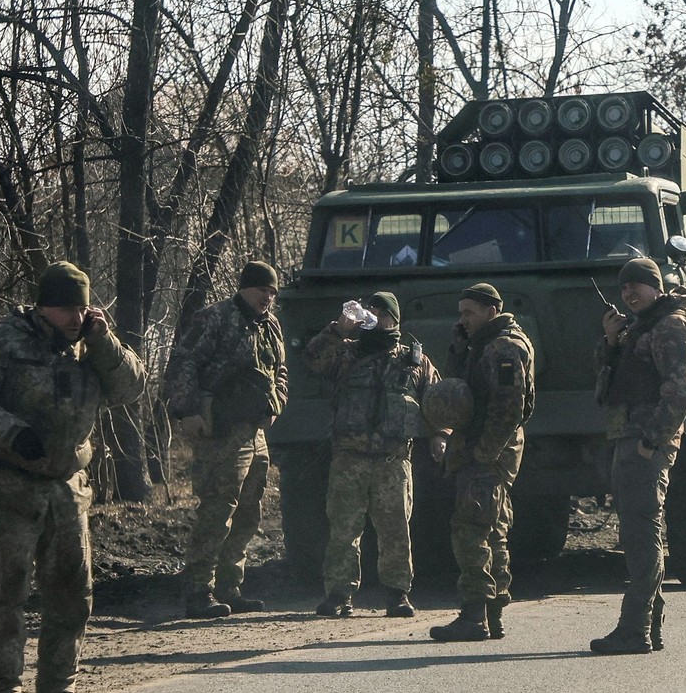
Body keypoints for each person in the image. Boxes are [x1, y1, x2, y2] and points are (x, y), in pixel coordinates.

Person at [0, 261, 147, 693]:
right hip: (6, 484)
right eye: (64, 309)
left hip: (67, 487)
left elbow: (131, 387)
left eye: (80, 307)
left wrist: (104, 342)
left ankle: (58, 687)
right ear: (42, 307)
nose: (74, 318)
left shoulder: (92, 347)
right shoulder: (3, 341)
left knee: (73, 591)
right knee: (6, 592)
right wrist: (12, 433)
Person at [304, 292, 446, 618]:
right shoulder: (346, 354)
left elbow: (435, 400)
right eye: (372, 312)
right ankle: (339, 595)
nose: (375, 318)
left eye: (382, 313)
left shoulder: (415, 360)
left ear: (394, 319)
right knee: (343, 529)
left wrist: (440, 435)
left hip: (393, 460)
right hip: (349, 458)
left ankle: (398, 595)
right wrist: (339, 330)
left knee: (396, 530)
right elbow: (312, 359)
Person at [164, 260, 288, 618]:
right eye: (263, 289)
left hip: (255, 433)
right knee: (218, 512)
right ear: (245, 288)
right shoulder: (214, 318)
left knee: (249, 512)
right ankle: (198, 592)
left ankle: (229, 588)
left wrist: (276, 403)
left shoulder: (271, 327)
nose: (268, 297)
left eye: (273, 292)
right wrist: (187, 410)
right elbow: (184, 362)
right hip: (220, 432)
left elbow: (280, 370)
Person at [590, 257, 686, 655]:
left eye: (637, 286)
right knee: (637, 532)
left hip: (644, 442)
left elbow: (680, 391)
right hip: (629, 439)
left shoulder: (670, 326)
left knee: (640, 534)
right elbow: (608, 379)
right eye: (624, 288)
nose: (629, 293)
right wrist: (611, 342)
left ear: (656, 287)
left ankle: (635, 628)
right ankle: (647, 627)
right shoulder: (641, 327)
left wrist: (651, 441)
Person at [430, 283, 535, 642]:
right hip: (485, 450)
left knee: (471, 530)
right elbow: (457, 385)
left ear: (490, 311)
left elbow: (509, 408)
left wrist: (483, 454)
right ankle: (493, 613)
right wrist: (459, 346)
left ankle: (475, 615)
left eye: (468, 312)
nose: (463, 319)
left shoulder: (504, 348)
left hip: (489, 452)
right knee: (493, 530)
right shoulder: (482, 346)